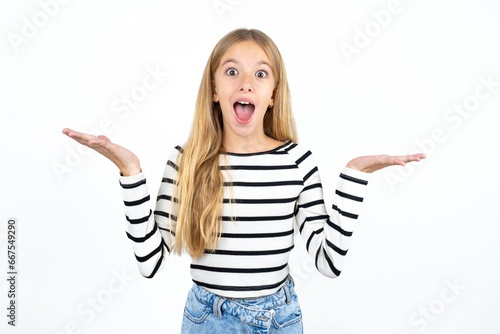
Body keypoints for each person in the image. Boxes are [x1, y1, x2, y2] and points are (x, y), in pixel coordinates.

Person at [63, 28, 425, 334]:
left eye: (261, 74)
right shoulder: (186, 160)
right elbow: (150, 261)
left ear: (272, 95)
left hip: (279, 319)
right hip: (207, 320)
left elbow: (328, 263)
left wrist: (355, 176)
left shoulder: (296, 162)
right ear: (215, 89)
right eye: (232, 72)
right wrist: (130, 171)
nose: (247, 84)